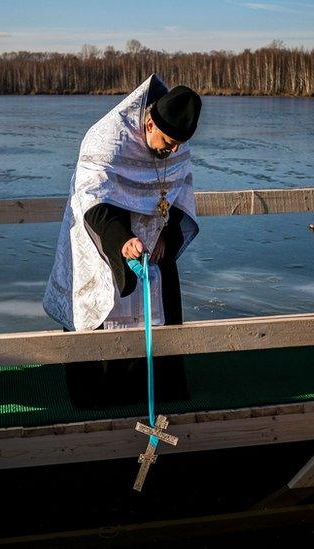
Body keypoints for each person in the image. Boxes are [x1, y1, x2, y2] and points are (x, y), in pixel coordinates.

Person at [43, 75, 202, 408]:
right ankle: (98, 405)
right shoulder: (108, 138)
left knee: (160, 323)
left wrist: (167, 236)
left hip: (154, 249)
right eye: (168, 142)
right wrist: (122, 240)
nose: (173, 150)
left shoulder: (176, 139)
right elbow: (91, 199)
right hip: (105, 241)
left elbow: (180, 195)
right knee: (103, 317)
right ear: (148, 124)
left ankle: (158, 397)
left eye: (178, 144)